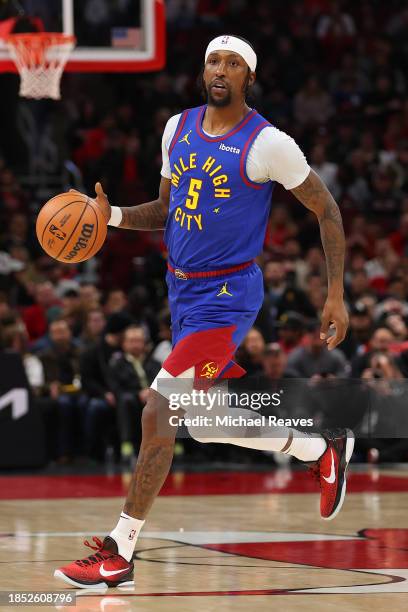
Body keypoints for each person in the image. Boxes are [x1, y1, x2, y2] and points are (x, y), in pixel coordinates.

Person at [55, 35, 353, 588]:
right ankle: (321, 448)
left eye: (233, 63)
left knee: (157, 414)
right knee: (204, 423)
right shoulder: (177, 128)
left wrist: (335, 294)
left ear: (249, 77)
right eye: (214, 60)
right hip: (183, 294)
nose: (220, 69)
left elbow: (327, 210)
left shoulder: (268, 143)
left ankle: (120, 552)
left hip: (228, 298)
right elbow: (167, 212)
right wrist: (111, 214)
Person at [108, 325, 161, 463]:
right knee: (126, 400)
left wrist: (151, 391)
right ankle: (127, 444)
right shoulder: (116, 364)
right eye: (131, 341)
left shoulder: (155, 363)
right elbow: (116, 388)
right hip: (131, 398)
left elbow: (164, 382)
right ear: (124, 343)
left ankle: (173, 444)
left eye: (138, 340)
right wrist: (138, 393)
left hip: (154, 397)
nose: (135, 344)